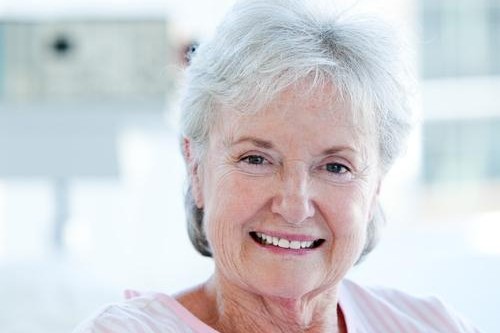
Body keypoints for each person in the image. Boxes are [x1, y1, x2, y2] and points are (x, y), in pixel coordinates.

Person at [73, 0, 481, 332]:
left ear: (375, 187)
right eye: (256, 159)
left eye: (336, 167)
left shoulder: (436, 325)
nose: (295, 204)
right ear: (195, 168)